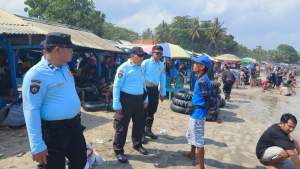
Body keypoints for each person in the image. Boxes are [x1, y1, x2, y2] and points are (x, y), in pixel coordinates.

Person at [22, 32, 87, 169]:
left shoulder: (64, 67)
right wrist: (37, 145)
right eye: (70, 49)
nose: (72, 52)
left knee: (80, 160)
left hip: (74, 125)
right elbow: (31, 110)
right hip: (53, 131)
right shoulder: (36, 75)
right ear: (58, 49)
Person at [112, 47, 149, 163]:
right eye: (140, 56)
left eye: (143, 56)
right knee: (122, 126)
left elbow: (143, 84)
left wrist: (146, 98)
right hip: (126, 99)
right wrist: (116, 102)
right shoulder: (123, 68)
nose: (142, 58)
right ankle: (118, 150)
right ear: (132, 56)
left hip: (138, 99)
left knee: (139, 123)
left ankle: (137, 144)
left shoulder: (141, 68)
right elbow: (116, 86)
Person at [184, 56, 212, 169]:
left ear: (202, 67)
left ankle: (201, 166)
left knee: (199, 139)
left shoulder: (203, 81)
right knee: (191, 134)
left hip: (199, 113)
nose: (193, 65)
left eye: (196, 63)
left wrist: (212, 114)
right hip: (195, 111)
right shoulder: (200, 78)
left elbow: (208, 99)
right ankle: (192, 154)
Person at [141, 45, 166, 141]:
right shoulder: (145, 63)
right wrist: (144, 94)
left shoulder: (161, 64)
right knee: (143, 112)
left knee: (152, 111)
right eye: (157, 53)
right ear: (152, 53)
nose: (159, 55)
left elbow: (162, 79)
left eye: (160, 53)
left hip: (155, 90)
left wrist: (162, 93)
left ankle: (148, 130)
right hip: (145, 89)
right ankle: (141, 133)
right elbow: (141, 78)